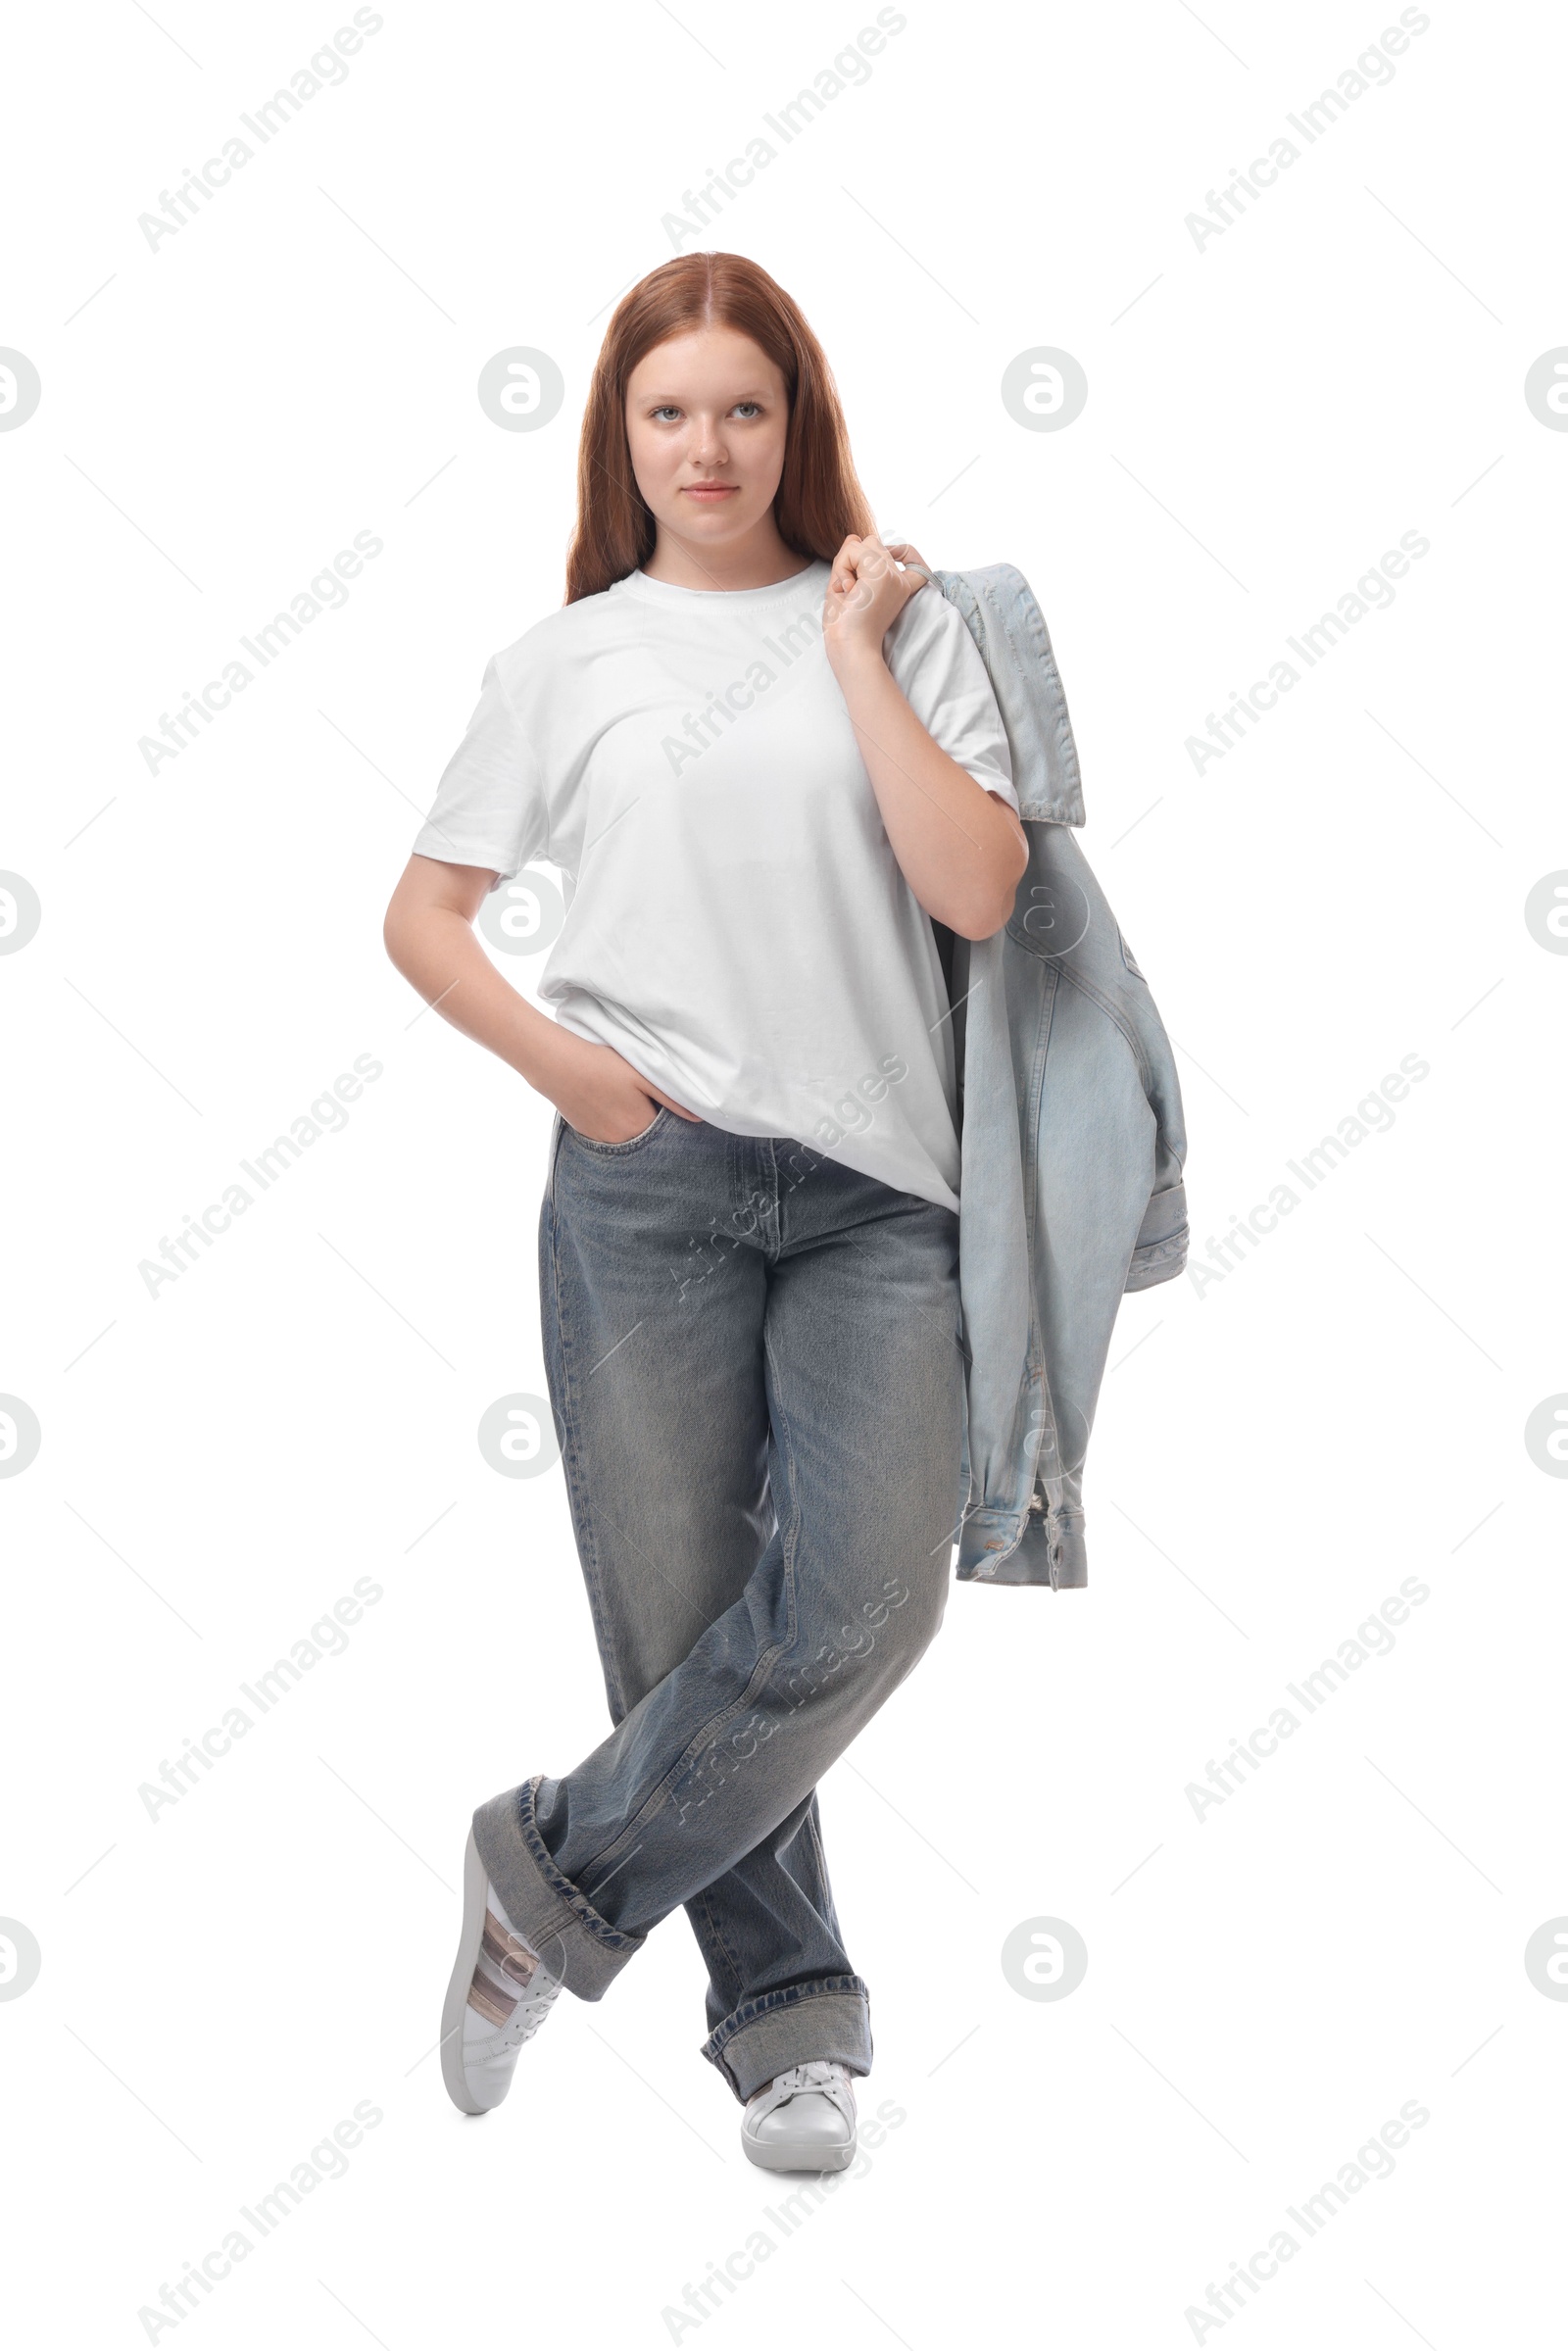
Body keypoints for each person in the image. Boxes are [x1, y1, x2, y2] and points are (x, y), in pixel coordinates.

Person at [383, 251, 1028, 2172]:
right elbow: (423, 912)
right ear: (621, 437)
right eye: (668, 411)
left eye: (742, 406)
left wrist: (849, 656)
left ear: (793, 421)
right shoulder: (564, 662)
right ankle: (787, 2025)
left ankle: (547, 1881)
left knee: (859, 1602)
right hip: (642, 1187)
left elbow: (977, 892)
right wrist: (571, 1073)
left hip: (875, 1197)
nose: (707, 444)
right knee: (681, 1636)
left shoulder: (898, 628)